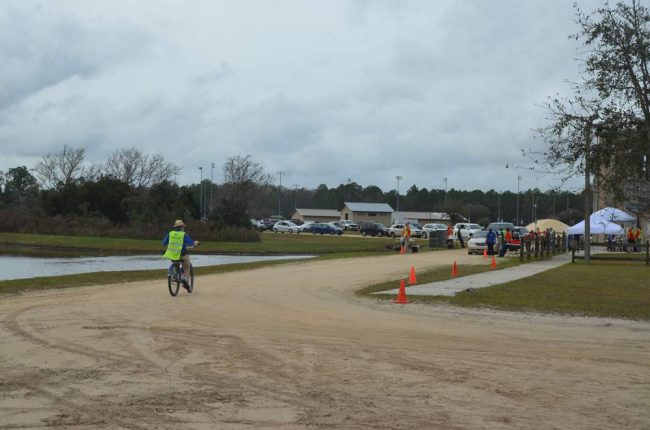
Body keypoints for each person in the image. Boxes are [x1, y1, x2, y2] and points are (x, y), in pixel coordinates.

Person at [163, 219, 199, 288]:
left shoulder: (170, 233)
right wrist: (196, 243)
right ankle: (184, 278)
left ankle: (174, 274)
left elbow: (164, 243)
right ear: (182, 227)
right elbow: (191, 243)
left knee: (175, 262)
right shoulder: (183, 234)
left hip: (172, 255)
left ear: (175, 227)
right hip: (181, 255)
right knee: (187, 266)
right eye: (183, 227)